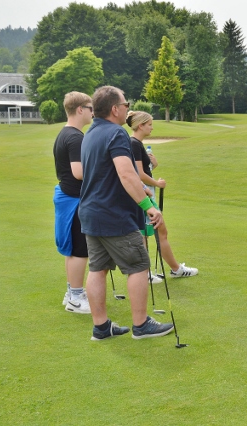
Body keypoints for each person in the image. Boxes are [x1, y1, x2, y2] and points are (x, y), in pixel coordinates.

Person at [80, 86, 173, 340]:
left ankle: (101, 327)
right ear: (114, 109)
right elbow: (125, 173)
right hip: (114, 214)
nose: (127, 108)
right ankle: (141, 325)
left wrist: (140, 186)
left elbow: (106, 172)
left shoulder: (90, 133)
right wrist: (148, 206)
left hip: (91, 212)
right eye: (125, 104)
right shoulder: (116, 133)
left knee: (98, 268)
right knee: (138, 265)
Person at [127, 111, 198, 279]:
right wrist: (157, 183)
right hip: (143, 195)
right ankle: (157, 272)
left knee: (154, 233)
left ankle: (165, 270)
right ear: (140, 126)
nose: (152, 128)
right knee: (151, 233)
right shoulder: (134, 144)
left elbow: (143, 170)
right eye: (149, 124)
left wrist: (153, 165)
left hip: (144, 193)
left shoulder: (137, 144)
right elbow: (138, 174)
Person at [53, 91, 93, 314]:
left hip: (68, 197)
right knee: (80, 250)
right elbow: (79, 172)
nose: (92, 113)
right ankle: (76, 298)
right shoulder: (76, 137)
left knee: (73, 250)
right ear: (80, 110)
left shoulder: (65, 133)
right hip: (74, 200)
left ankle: (72, 292)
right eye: (90, 108)